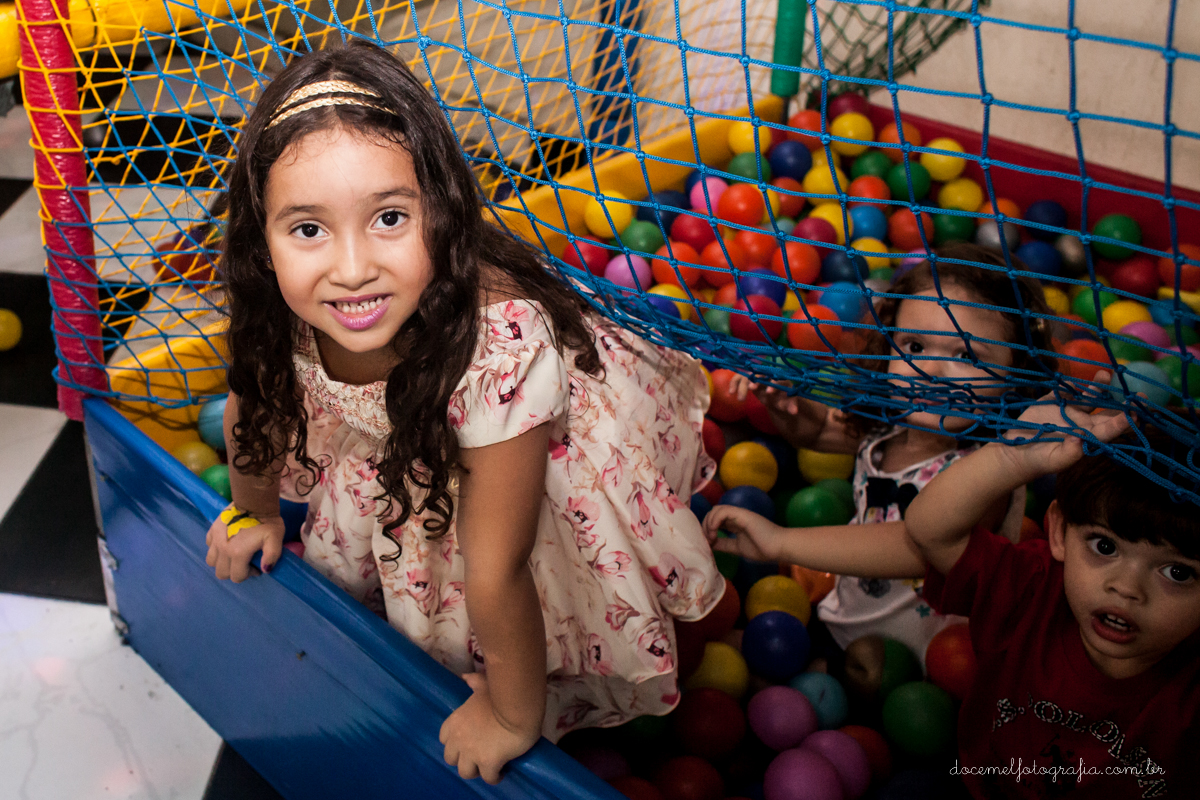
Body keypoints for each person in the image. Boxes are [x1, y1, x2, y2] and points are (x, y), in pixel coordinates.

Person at [203, 41, 726, 784]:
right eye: (309, 229)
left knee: (555, 589)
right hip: (399, 446)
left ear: (441, 213)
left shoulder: (499, 348)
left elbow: (498, 563)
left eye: (388, 217)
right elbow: (250, 413)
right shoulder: (275, 303)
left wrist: (512, 715)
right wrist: (252, 513)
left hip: (524, 465)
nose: (351, 270)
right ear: (263, 242)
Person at [726, 245, 1052, 664]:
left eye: (966, 356)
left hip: (925, 661)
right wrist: (785, 404)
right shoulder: (890, 424)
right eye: (914, 347)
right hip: (844, 618)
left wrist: (781, 542)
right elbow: (819, 431)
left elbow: (911, 547)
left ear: (1016, 374)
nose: (929, 371)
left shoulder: (989, 471)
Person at [905, 406, 1200, 798]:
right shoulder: (1032, 590)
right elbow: (931, 531)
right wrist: (1011, 455)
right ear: (1058, 531)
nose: (1127, 589)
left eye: (1177, 573)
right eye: (1105, 546)